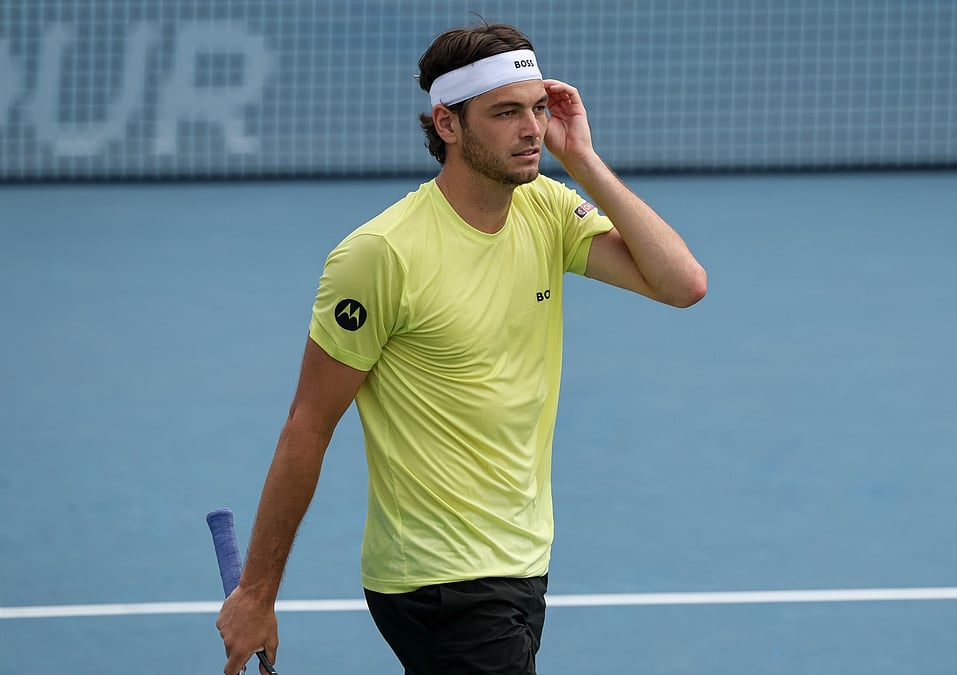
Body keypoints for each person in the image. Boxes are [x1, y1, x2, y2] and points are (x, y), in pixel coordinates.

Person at [216, 20, 706, 675]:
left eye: (538, 108)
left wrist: (583, 158)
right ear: (448, 123)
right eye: (506, 112)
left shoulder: (547, 211)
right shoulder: (381, 256)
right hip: (440, 578)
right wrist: (257, 591)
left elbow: (683, 283)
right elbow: (307, 425)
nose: (532, 128)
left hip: (521, 558)